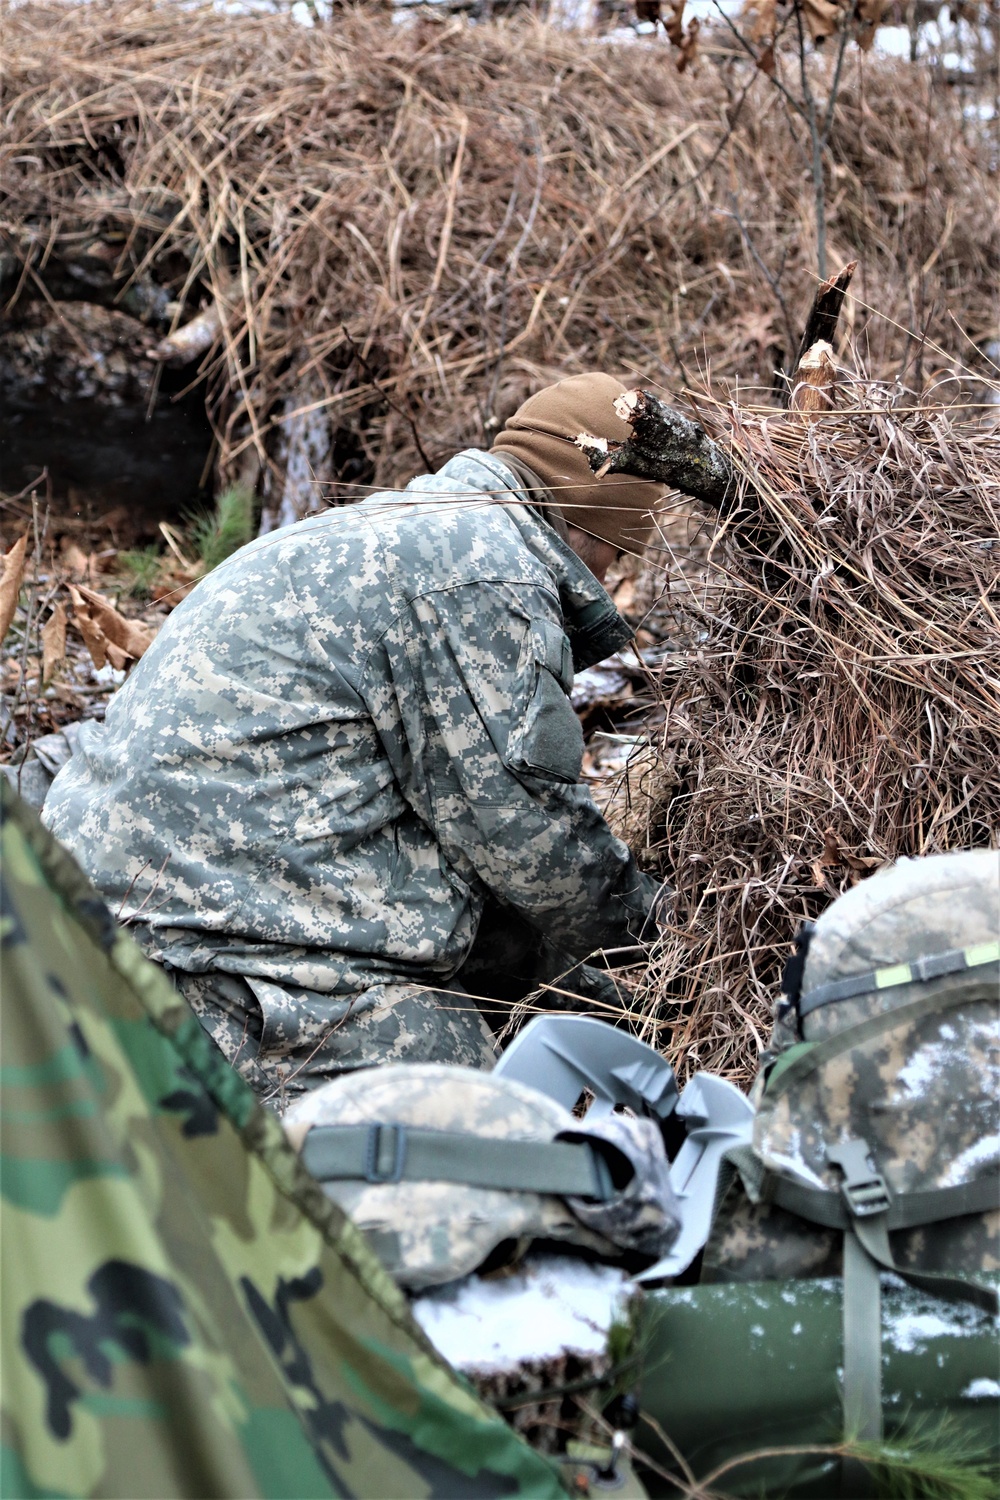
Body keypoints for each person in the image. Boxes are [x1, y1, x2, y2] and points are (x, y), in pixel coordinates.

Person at [43, 373, 668, 1107]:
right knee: (471, 1097)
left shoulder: (414, 529)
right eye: (618, 551)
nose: (612, 573)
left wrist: (572, 975)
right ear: (588, 520)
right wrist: (668, 956)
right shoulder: (483, 574)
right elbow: (541, 849)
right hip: (186, 967)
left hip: (98, 914)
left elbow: (477, 846)